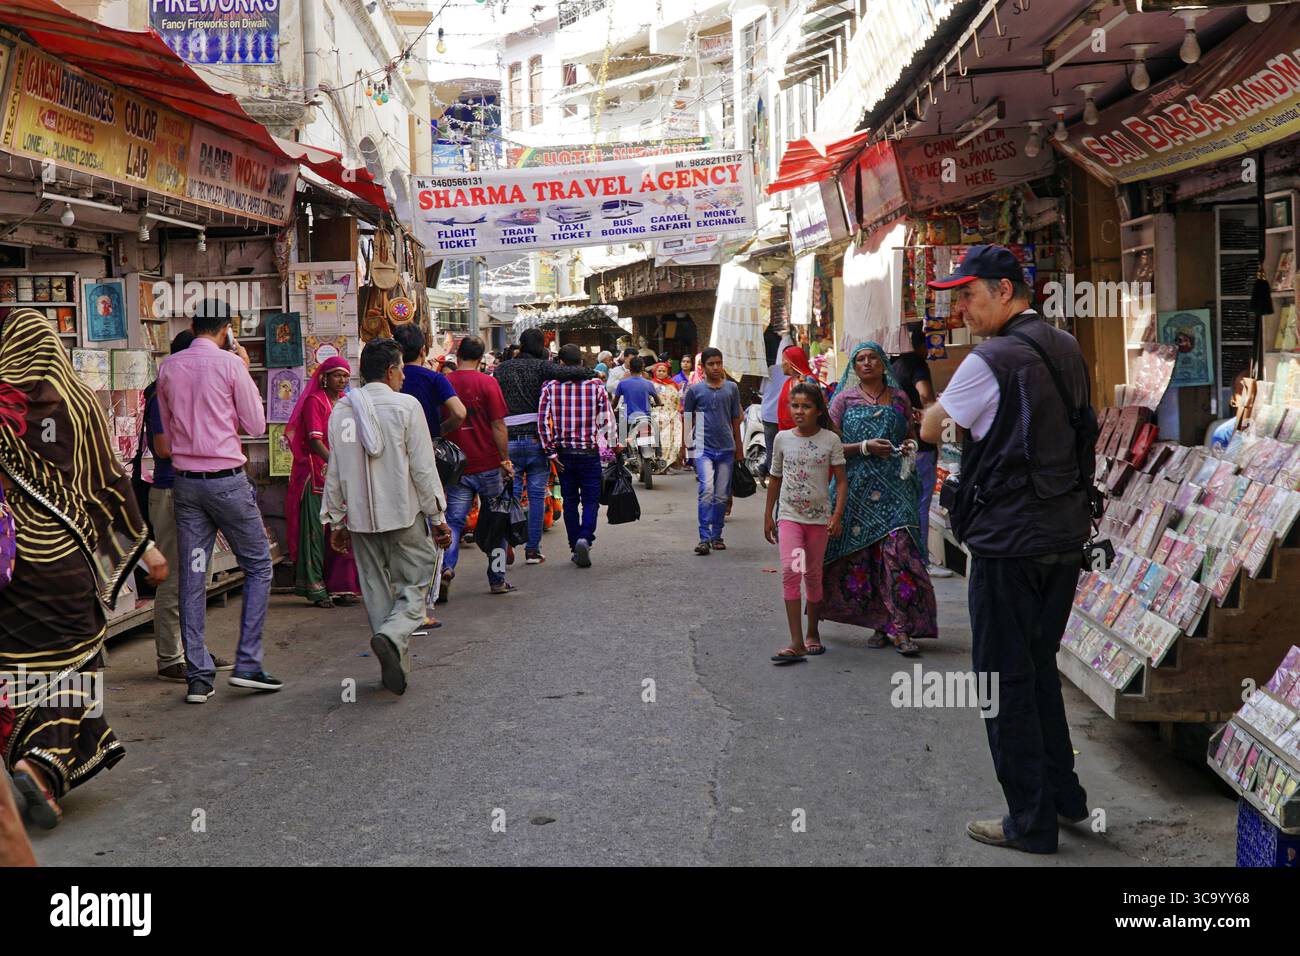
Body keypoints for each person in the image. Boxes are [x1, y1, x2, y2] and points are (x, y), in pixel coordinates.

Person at [920, 244, 1092, 854]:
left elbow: (931, 428)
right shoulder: (1066, 345)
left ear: (1004, 291)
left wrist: (938, 406)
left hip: (1008, 544)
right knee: (1037, 666)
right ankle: (1065, 798)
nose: (961, 308)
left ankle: (1030, 820)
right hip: (1064, 538)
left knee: (1002, 679)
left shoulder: (987, 360)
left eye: (968, 295)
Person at [0, 308, 167, 828]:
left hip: (6, 567)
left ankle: (34, 766)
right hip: (60, 565)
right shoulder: (77, 406)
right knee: (79, 660)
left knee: (15, 668)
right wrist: (144, 549)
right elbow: (108, 485)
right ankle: (42, 766)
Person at [157, 299, 280, 704]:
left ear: (193, 326)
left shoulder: (169, 367)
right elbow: (255, 424)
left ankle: (198, 676)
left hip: (186, 485)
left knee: (193, 577)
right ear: (227, 328)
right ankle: (247, 663)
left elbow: (169, 431)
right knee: (259, 564)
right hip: (226, 482)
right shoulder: (230, 365)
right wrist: (241, 369)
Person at [321, 339, 452, 696]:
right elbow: (423, 469)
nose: (404, 379)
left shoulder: (342, 410)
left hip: (360, 519)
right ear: (392, 371)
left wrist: (335, 520)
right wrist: (438, 516)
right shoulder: (406, 407)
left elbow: (334, 470)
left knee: (376, 592)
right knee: (417, 582)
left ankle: (395, 663)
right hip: (404, 513)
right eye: (402, 372)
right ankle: (393, 636)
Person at [821, 342, 938, 657]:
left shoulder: (900, 397)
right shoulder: (843, 401)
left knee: (897, 552)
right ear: (854, 367)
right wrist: (864, 447)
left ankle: (900, 628)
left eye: (873, 357)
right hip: (856, 489)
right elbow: (828, 445)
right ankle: (880, 622)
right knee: (868, 557)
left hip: (895, 487)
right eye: (861, 359)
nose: (867, 362)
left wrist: (910, 448)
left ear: (883, 363)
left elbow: (911, 436)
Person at [143, 330, 232, 681]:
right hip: (171, 491)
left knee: (197, 576)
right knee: (177, 577)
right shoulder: (163, 396)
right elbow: (163, 448)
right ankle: (170, 657)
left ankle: (192, 648)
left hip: (192, 489)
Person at [493, 327, 594, 565]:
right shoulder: (541, 367)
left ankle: (507, 544)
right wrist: (594, 373)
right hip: (536, 438)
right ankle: (532, 550)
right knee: (537, 496)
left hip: (507, 438)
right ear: (540, 346)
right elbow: (574, 372)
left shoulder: (501, 369)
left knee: (512, 494)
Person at [764, 383, 846, 664]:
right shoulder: (782, 439)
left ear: (818, 410)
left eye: (806, 406)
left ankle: (813, 633)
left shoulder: (830, 441)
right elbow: (775, 478)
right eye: (794, 405)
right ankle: (796, 642)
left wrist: (836, 516)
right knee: (790, 569)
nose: (799, 411)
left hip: (819, 521)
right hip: (789, 518)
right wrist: (769, 515)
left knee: (812, 574)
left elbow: (842, 481)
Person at [284, 356, 361, 608]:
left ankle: (343, 585)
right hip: (317, 474)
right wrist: (339, 465)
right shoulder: (314, 402)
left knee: (343, 528)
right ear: (324, 377)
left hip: (340, 474)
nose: (342, 380)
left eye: (345, 376)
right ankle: (316, 589)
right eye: (337, 375)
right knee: (316, 533)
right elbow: (315, 442)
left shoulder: (346, 403)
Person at [442, 335, 515, 599]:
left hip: (456, 466)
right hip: (488, 464)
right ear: (481, 357)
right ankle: (497, 579)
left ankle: (447, 569)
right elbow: (498, 425)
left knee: (454, 522)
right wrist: (504, 459)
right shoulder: (488, 383)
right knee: (496, 521)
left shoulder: (445, 382)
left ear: (458, 354)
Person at [538, 344, 616, 568]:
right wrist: (612, 446)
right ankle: (585, 538)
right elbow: (607, 421)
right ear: (581, 362)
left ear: (560, 363)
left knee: (570, 501)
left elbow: (543, 422)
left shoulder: (550, 388)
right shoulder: (596, 386)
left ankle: (575, 545)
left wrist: (550, 451)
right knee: (591, 500)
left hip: (563, 454)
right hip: (589, 452)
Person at [892, 325, 954, 579]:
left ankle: (904, 555)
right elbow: (925, 394)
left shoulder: (894, 366)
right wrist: (932, 411)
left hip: (900, 443)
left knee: (905, 500)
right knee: (922, 502)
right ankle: (921, 560)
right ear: (919, 344)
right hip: (921, 443)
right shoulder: (916, 364)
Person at [682, 348, 742, 555]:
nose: (716, 367)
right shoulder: (695, 391)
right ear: (703, 367)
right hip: (702, 448)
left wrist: (739, 449)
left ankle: (717, 535)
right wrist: (685, 446)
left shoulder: (732, 389)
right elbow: (688, 418)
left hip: (726, 448)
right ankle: (703, 538)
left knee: (721, 495)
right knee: (706, 490)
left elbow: (736, 419)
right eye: (711, 364)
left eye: (719, 363)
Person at [392, 323, 467, 441]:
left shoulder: (390, 377)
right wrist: (439, 430)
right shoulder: (435, 378)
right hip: (428, 446)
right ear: (422, 350)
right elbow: (460, 413)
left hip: (396, 445)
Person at [612, 356, 661, 452]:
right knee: (656, 433)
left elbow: (615, 402)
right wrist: (658, 404)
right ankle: (659, 454)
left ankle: (622, 457)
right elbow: (658, 400)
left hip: (629, 419)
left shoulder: (623, 383)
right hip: (646, 418)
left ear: (629, 368)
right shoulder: (648, 383)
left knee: (621, 441)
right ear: (642, 368)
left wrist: (612, 410)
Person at [759, 336, 791, 476]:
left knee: (772, 450)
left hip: (769, 415)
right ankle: (776, 482)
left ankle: (770, 473)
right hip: (783, 416)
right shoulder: (796, 373)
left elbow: (762, 391)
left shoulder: (771, 369)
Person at [650, 362, 683, 470]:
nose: (661, 373)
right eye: (659, 370)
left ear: (667, 372)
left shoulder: (672, 384)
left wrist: (678, 410)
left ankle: (667, 465)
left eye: (664, 371)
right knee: (660, 441)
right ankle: (659, 465)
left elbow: (677, 400)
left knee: (671, 441)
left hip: (672, 416)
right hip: (657, 417)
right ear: (655, 372)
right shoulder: (651, 385)